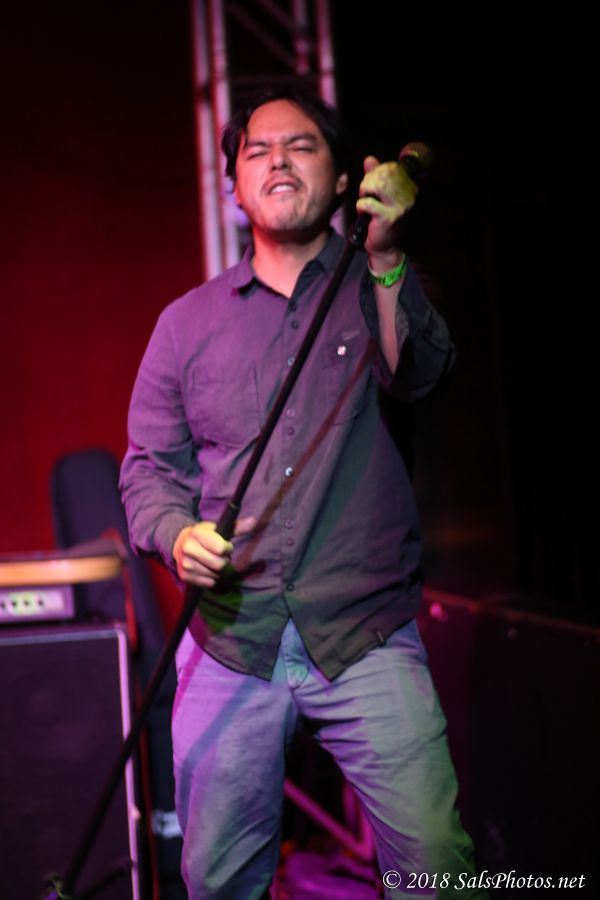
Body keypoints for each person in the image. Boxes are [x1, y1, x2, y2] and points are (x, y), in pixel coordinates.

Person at [120, 89, 486, 899]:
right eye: (258, 150)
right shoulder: (185, 324)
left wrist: (387, 257)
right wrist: (177, 534)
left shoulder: (378, 282)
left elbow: (421, 376)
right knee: (218, 882)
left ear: (344, 176)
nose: (278, 159)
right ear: (234, 186)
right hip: (231, 639)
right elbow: (148, 470)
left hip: (365, 631)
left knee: (439, 872)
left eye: (302, 145)